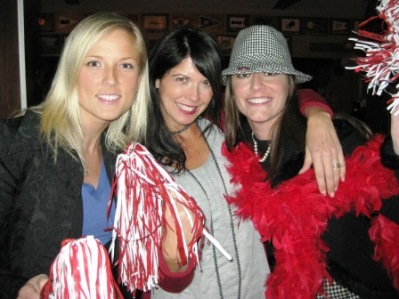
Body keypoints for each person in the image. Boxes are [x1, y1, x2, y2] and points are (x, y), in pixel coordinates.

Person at [140, 26, 345, 298]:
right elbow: (157, 277)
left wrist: (318, 114)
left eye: (205, 83)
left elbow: (277, 98)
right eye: (181, 79)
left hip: (256, 289)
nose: (194, 96)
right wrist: (173, 260)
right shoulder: (139, 160)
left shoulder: (221, 133)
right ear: (156, 80)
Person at [222, 25, 399, 298]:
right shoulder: (229, 152)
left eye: (270, 72)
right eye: (244, 73)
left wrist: (397, 155)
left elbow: (392, 204)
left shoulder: (335, 142)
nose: (256, 84)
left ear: (290, 84)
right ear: (232, 89)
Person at [0, 12, 150, 298]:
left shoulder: (126, 157)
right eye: (94, 63)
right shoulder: (15, 143)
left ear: (139, 79)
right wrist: (16, 289)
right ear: (71, 69)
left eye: (126, 65)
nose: (111, 79)